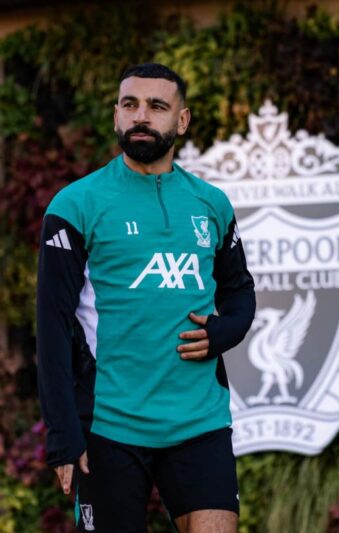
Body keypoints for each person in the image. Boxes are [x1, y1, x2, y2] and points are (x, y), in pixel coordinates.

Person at [36, 63, 255, 532]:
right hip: (109, 426)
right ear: (115, 115)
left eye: (157, 106)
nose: (141, 116)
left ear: (182, 120)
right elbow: (52, 327)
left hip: (199, 421)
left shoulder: (211, 203)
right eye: (129, 104)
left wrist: (224, 331)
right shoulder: (75, 205)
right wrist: (62, 435)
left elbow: (240, 293)